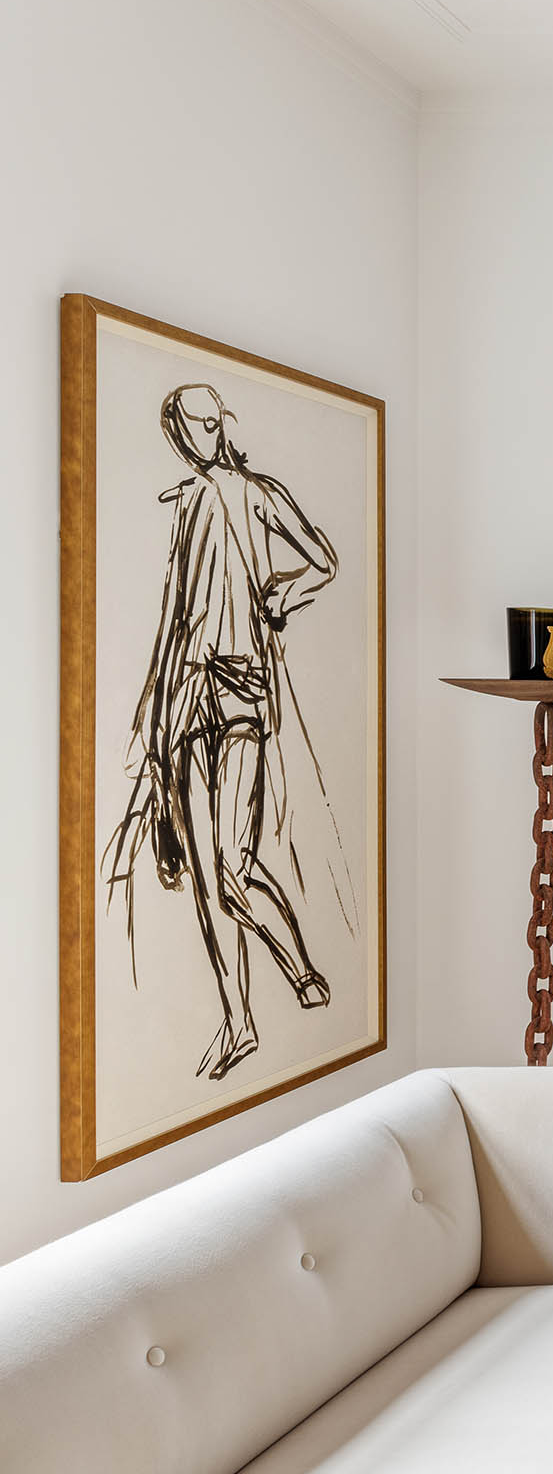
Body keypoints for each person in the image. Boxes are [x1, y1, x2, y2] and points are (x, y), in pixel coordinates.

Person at [106, 383, 344, 1081]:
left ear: (222, 427)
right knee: (208, 880)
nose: (201, 436)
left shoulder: (253, 492)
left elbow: (324, 560)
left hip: (239, 691)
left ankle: (301, 969)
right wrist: (153, 725)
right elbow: (171, 621)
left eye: (212, 424)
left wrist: (282, 593)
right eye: (190, 426)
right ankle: (239, 1020)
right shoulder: (185, 505)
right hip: (184, 697)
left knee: (234, 871)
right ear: (178, 433)